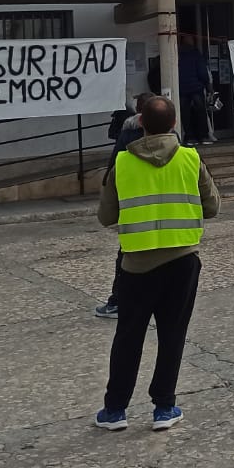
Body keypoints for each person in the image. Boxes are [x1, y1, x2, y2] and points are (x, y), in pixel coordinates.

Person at [94, 96, 220, 429]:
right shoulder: (191, 160)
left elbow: (106, 216)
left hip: (136, 264)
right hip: (182, 261)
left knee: (128, 336)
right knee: (173, 334)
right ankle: (164, 407)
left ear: (141, 124)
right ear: (175, 124)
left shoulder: (121, 163)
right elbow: (213, 206)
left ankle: (115, 409)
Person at [96, 93, 154, 319]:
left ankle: (118, 301)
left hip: (134, 208)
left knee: (127, 259)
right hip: (163, 213)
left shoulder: (127, 136)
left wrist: (107, 188)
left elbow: (115, 165)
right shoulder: (173, 139)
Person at [178, 36, 215, 145]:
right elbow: (202, 72)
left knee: (185, 113)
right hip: (196, 88)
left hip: (182, 88)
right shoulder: (196, 54)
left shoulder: (177, 54)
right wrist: (208, 85)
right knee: (200, 112)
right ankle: (203, 136)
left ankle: (189, 137)